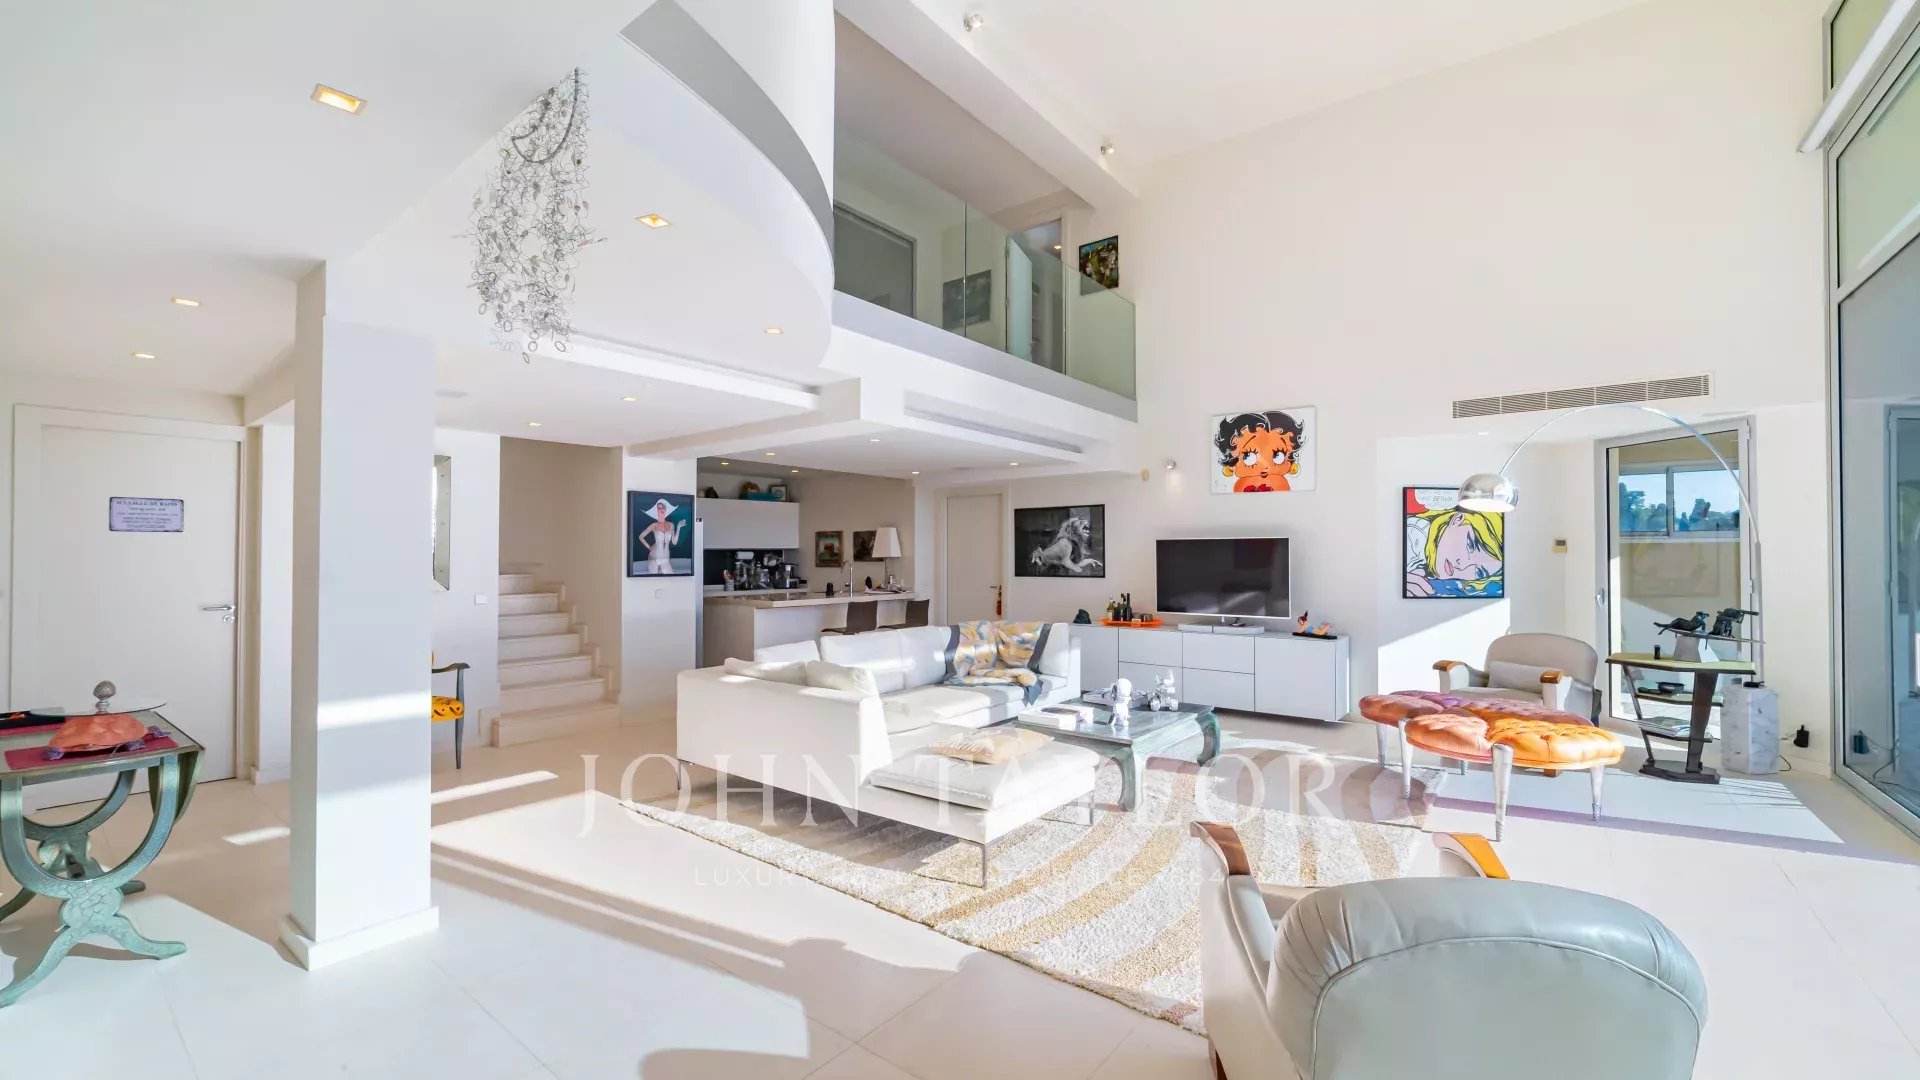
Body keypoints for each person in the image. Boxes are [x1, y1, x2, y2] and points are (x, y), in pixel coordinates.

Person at [1405, 507, 1505, 598]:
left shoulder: (1431, 566)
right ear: (1457, 520)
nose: (1462, 566)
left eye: (1478, 572)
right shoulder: (1413, 534)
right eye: (1470, 545)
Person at [1213, 411, 1306, 492]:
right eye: (1248, 456)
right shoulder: (1239, 486)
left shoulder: (1282, 484)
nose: (1265, 466)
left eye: (1278, 456)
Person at [635, 497, 683, 575]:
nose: (661, 509)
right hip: (654, 557)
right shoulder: (654, 525)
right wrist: (649, 547)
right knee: (653, 580)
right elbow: (641, 537)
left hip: (665, 559)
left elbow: (674, 542)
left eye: (662, 507)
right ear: (656, 511)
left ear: (665, 509)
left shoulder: (671, 525)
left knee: (671, 579)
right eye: (659, 508)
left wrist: (679, 527)